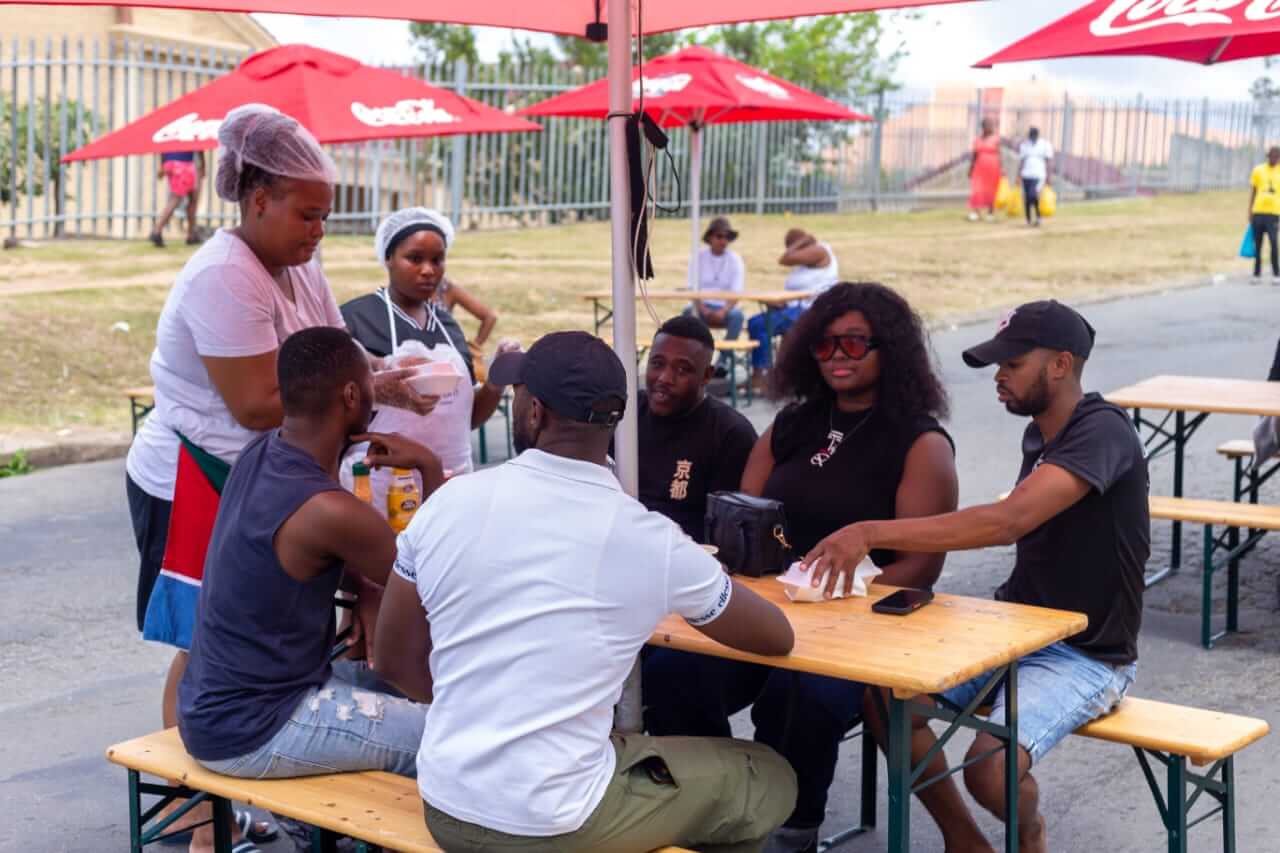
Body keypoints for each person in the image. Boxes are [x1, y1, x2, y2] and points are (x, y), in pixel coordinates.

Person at [124, 104, 429, 853]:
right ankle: (204, 812)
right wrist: (374, 397)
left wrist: (381, 379)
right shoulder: (224, 276)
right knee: (202, 639)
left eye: (326, 217)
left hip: (259, 467)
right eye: (307, 214)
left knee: (258, 633)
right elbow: (265, 400)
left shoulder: (296, 265)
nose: (318, 230)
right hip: (195, 474)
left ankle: (258, 780)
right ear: (257, 199)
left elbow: (330, 356)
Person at [372, 330, 800, 853]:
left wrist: (492, 725)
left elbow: (391, 659)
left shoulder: (447, 502)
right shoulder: (647, 537)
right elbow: (775, 637)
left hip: (446, 801)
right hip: (554, 820)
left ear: (534, 413)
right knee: (767, 776)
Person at [804, 300, 1149, 853]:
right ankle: (964, 839)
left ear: (1061, 365)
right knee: (886, 697)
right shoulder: (1040, 435)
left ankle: (1029, 832)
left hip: (1088, 653)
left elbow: (1007, 521)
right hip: (1016, 630)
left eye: (1013, 363)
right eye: (998, 364)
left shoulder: (1101, 431)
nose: (999, 375)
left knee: (988, 770)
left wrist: (868, 532)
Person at [645, 282, 959, 853]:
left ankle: (794, 826)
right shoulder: (793, 424)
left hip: (860, 630)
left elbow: (921, 566)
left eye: (855, 343)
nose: (838, 355)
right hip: (773, 610)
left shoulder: (920, 443)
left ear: (890, 348)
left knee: (803, 694)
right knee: (672, 671)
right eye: (825, 345)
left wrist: (832, 597)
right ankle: (728, 796)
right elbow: (745, 516)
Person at [179, 327, 439, 784]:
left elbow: (293, 553)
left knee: (399, 690)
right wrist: (428, 467)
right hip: (259, 727)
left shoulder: (259, 453)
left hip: (214, 708)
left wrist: (358, 587)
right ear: (352, 395)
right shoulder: (329, 510)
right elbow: (440, 579)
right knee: (447, 734)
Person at [341, 208, 513, 489]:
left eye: (437, 260)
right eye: (414, 259)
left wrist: (495, 382)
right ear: (388, 259)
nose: (428, 270)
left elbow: (465, 419)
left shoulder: (448, 325)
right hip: (380, 484)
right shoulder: (357, 319)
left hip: (451, 482)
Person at [634, 315, 758, 541]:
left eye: (682, 370)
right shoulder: (626, 413)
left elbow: (726, 530)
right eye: (657, 363)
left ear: (706, 376)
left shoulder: (730, 434)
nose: (664, 378)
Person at [747, 229, 839, 385]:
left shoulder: (820, 250)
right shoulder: (803, 265)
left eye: (791, 246)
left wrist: (799, 243)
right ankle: (760, 373)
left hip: (811, 311)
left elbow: (785, 259)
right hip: (793, 308)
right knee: (754, 322)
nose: (790, 250)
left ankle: (764, 375)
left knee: (763, 325)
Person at [685, 216, 747, 376]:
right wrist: (703, 309)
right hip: (702, 306)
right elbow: (692, 288)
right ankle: (693, 360)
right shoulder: (698, 257)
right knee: (686, 315)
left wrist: (723, 311)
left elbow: (736, 293)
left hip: (725, 308)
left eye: (727, 237)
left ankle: (722, 362)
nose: (723, 241)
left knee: (737, 316)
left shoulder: (735, 260)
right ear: (710, 237)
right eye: (719, 236)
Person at [149, 151, 205, 248]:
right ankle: (156, 231)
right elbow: (199, 147)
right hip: (183, 164)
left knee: (191, 198)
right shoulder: (189, 135)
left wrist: (162, 165)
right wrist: (203, 165)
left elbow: (163, 147)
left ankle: (191, 234)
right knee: (176, 199)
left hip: (171, 163)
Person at [1249, 146, 1280, 283]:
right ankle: (1256, 274)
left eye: (1276, 157)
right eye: (1271, 156)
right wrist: (1250, 211)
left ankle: (1276, 274)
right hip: (1258, 212)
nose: (1273, 159)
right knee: (1258, 244)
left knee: (1274, 243)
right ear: (1268, 156)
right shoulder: (1258, 170)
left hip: (1274, 213)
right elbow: (1253, 192)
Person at [1018, 127, 1055, 228]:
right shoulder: (1025, 145)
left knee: (1032, 195)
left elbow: (1049, 161)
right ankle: (1028, 219)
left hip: (1038, 174)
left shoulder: (1044, 145)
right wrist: (1019, 175)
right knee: (1027, 197)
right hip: (1026, 174)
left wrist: (1049, 175)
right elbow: (1021, 161)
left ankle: (1038, 216)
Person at [969, 117, 1003, 223]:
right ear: (983, 127)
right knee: (977, 189)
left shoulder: (996, 139)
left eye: (991, 125)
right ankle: (976, 212)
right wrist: (971, 168)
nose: (990, 127)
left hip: (993, 168)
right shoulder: (977, 140)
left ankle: (990, 213)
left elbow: (999, 154)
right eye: (988, 125)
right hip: (979, 168)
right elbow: (974, 155)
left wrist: (1002, 168)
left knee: (991, 190)